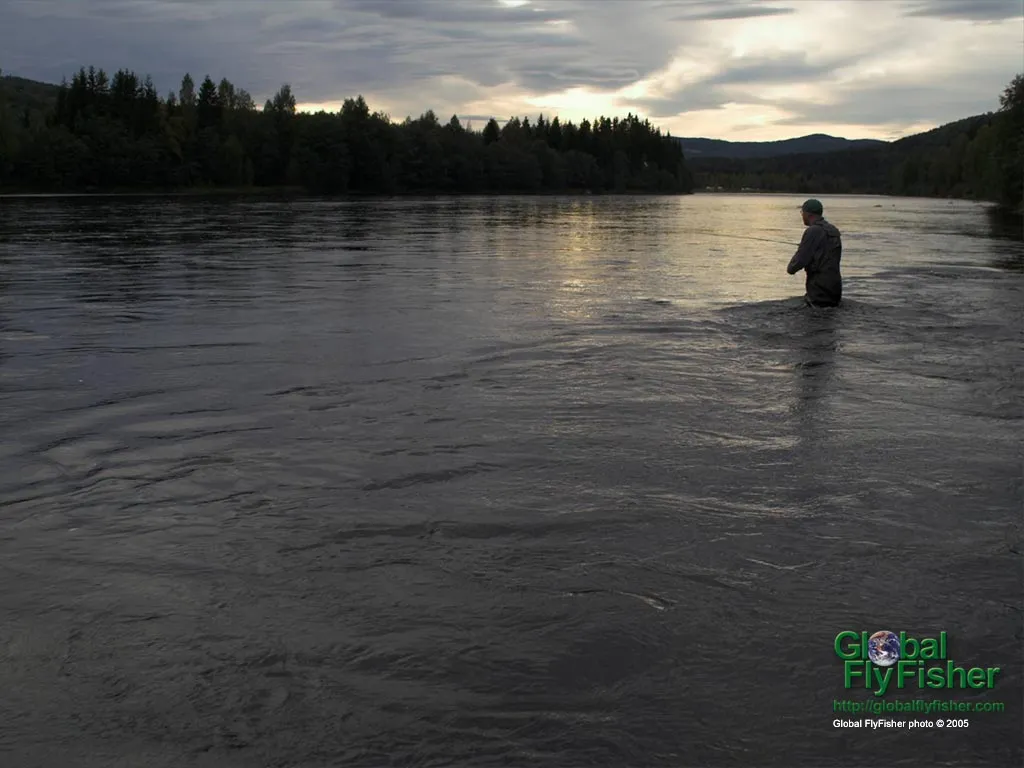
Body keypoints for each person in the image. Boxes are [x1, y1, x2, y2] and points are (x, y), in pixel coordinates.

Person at [787, 199, 842, 307]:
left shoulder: (813, 231)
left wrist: (791, 267)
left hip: (819, 290)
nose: (802, 216)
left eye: (802, 213)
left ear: (808, 214)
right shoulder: (833, 230)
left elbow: (797, 263)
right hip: (835, 289)